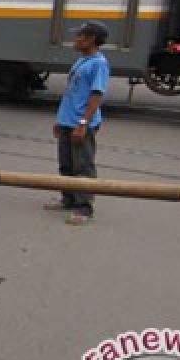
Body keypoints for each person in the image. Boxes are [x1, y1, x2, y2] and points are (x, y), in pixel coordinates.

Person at [45, 21, 111, 225]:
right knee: (66, 164)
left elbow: (96, 94)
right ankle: (68, 198)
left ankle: (84, 208)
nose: (76, 39)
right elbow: (71, 93)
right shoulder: (82, 60)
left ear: (91, 39)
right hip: (67, 121)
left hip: (81, 124)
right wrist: (60, 120)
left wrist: (83, 123)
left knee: (83, 166)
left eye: (80, 36)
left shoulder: (98, 63)